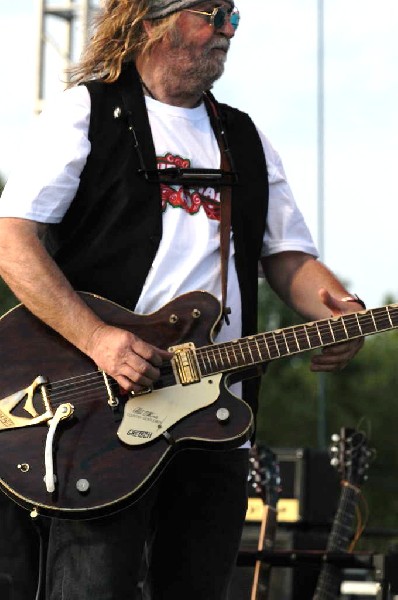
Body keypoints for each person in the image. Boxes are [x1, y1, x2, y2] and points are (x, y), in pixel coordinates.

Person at [0, 1, 364, 598]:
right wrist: (97, 339)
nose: (227, 30)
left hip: (216, 416)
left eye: (234, 17)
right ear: (152, 20)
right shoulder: (87, 113)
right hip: (100, 415)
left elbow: (290, 257)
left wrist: (338, 309)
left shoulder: (243, 137)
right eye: (211, 14)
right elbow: (13, 241)